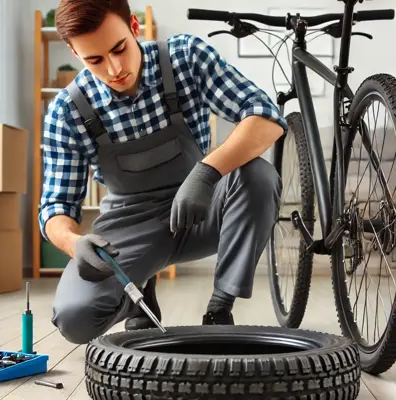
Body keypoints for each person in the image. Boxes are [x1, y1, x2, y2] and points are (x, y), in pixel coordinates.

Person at [39, 0, 287, 345]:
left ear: (134, 27)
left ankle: (221, 306)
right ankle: (138, 293)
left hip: (202, 205)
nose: (114, 69)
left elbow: (267, 118)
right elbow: (55, 206)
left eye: (119, 48)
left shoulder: (185, 58)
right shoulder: (67, 111)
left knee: (258, 176)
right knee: (74, 318)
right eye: (94, 59)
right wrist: (73, 242)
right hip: (130, 226)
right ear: (74, 52)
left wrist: (207, 173)